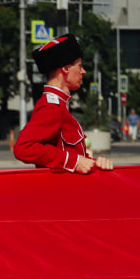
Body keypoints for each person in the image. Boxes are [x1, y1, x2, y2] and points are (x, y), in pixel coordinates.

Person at [13, 33, 113, 174]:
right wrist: (75, 161)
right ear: (66, 69)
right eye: (79, 66)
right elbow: (23, 148)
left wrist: (94, 163)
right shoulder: (51, 107)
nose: (83, 72)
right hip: (61, 193)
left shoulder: (59, 105)